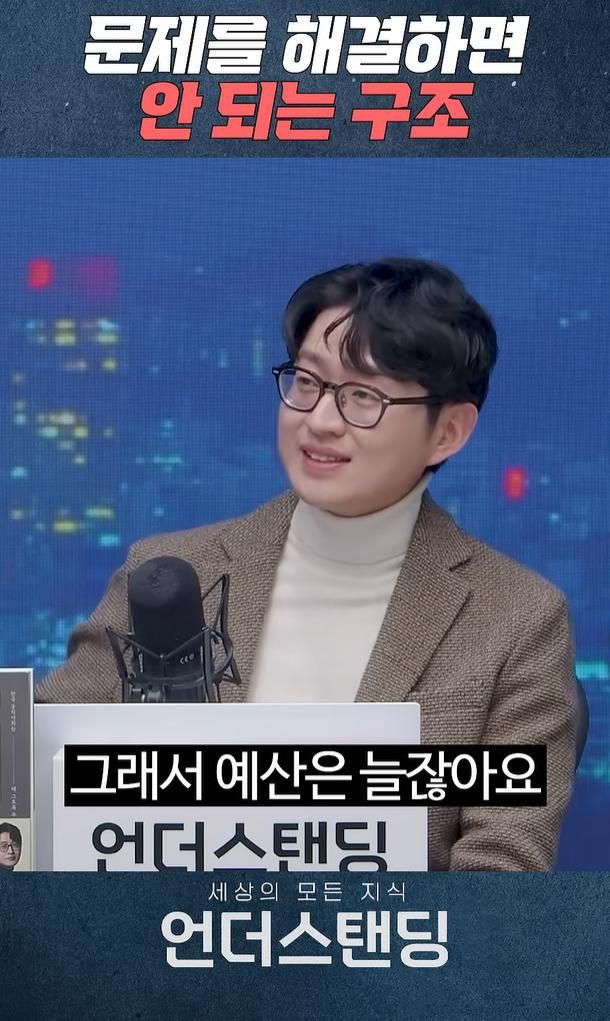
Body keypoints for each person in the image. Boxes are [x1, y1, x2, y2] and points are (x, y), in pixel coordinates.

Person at [36, 257, 578, 871]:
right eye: (307, 382)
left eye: (363, 397)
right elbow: (39, 776)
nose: (319, 421)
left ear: (448, 431)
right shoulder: (172, 572)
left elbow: (503, 874)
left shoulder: (517, 618)